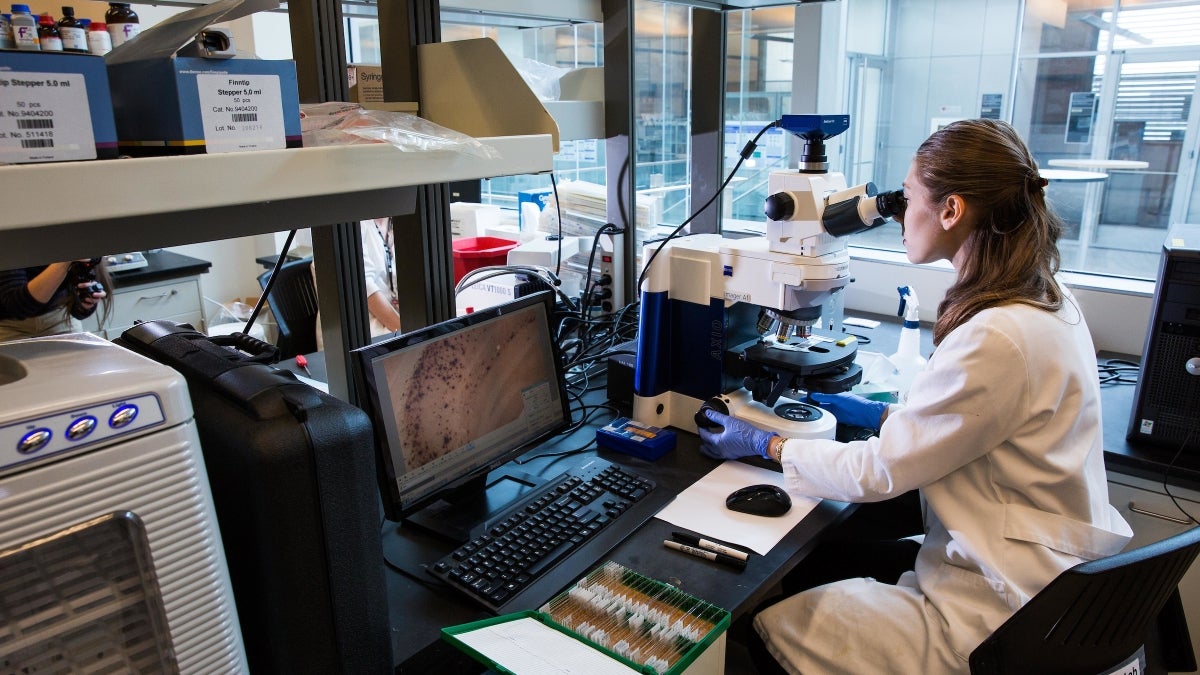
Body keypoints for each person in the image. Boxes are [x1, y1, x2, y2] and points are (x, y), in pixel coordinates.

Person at [698, 119, 1133, 674]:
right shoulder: (1045, 299)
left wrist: (768, 446)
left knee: (767, 616)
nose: (898, 214)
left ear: (951, 211)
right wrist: (883, 414)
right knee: (821, 559)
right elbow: (981, 420)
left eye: (907, 199)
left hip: (995, 609)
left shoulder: (997, 333)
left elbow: (878, 474)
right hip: (1040, 578)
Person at [0, 259, 110, 341]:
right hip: (8, 325)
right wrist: (64, 261)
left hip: (61, 317)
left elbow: (77, 311)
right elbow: (17, 306)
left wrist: (85, 303)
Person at [361, 217, 402, 337]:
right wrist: (410, 335)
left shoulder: (396, 220)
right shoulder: (354, 224)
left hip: (396, 320)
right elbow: (365, 287)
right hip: (368, 326)